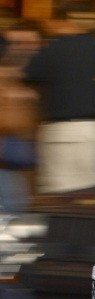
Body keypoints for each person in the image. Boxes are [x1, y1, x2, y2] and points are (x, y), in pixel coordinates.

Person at [23, 1, 95, 194]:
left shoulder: (53, 50)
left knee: (60, 195)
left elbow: (29, 75)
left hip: (62, 132)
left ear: (64, 21)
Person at [0, 19, 42, 211]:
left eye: (28, 43)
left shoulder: (32, 81)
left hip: (16, 168)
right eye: (15, 44)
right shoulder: (10, 81)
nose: (21, 49)